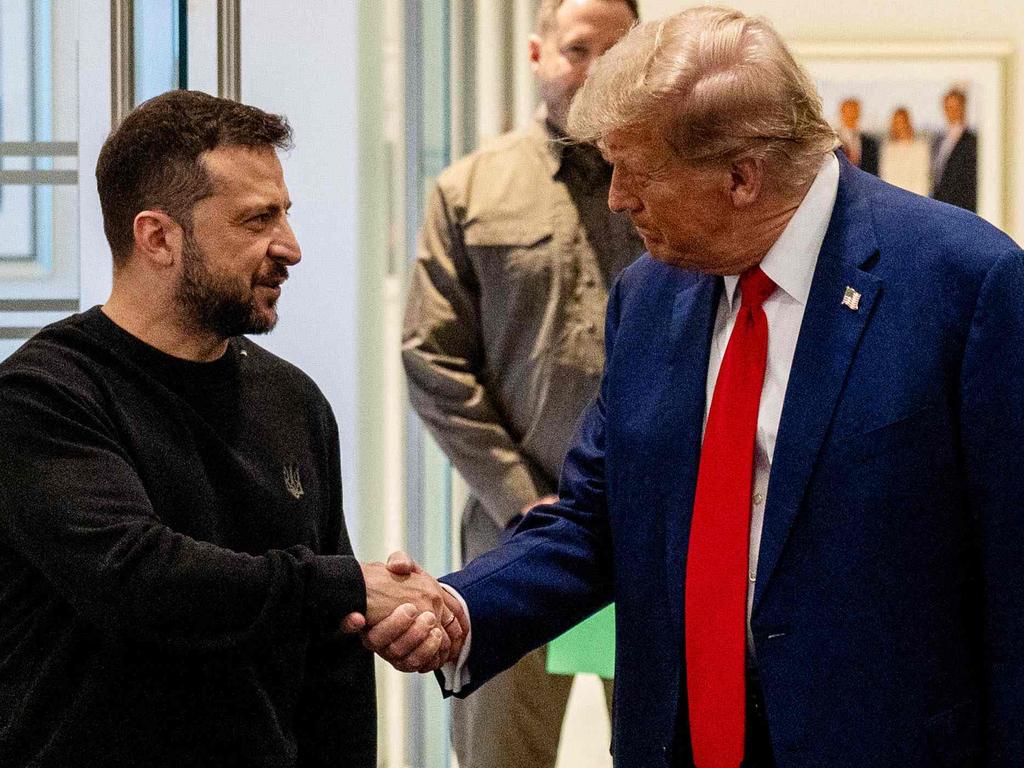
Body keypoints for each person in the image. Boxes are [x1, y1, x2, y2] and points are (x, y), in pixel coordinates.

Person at [365, 6, 1024, 767]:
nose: (615, 198)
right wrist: (459, 606)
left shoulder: (962, 286)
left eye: (634, 171)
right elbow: (595, 519)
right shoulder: (650, 296)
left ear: (742, 176)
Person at [0, 90, 462, 768]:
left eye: (286, 214)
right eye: (257, 219)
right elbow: (139, 577)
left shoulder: (293, 399)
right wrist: (347, 584)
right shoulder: (45, 396)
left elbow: (332, 652)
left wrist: (371, 604)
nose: (291, 248)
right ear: (158, 237)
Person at [401, 0, 643, 764]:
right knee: (501, 754)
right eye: (578, 49)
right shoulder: (469, 190)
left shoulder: (681, 189)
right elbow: (431, 358)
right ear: (538, 55)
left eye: (621, 51)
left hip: (657, 534)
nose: (599, 69)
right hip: (515, 535)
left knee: (670, 745)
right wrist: (524, 498)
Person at [932, 87, 978, 211]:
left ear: (963, 108)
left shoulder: (972, 141)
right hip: (940, 205)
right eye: (948, 107)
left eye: (955, 107)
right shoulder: (939, 140)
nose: (951, 111)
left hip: (961, 208)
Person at [879, 106, 931, 195]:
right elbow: (885, 177)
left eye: (902, 121)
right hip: (891, 200)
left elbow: (922, 180)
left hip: (914, 200)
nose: (899, 126)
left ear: (908, 122)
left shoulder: (921, 147)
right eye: (896, 122)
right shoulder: (888, 148)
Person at [836, 97, 879, 175]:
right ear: (841, 113)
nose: (851, 116)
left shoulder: (870, 142)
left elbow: (873, 170)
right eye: (848, 112)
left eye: (854, 112)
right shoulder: (833, 141)